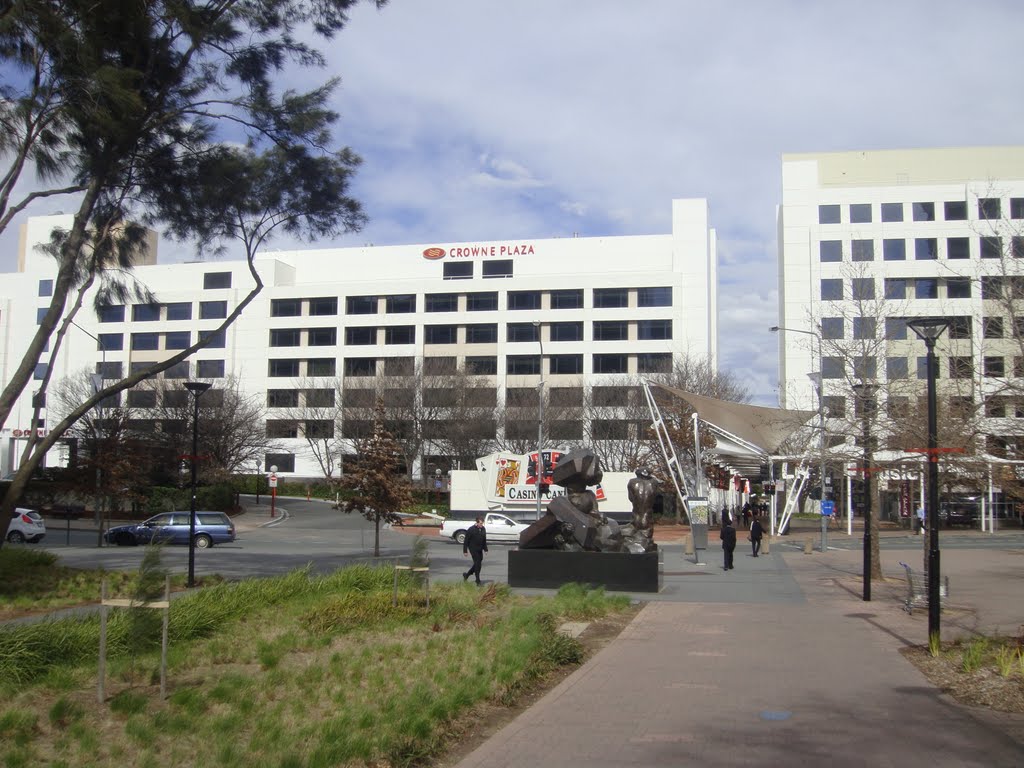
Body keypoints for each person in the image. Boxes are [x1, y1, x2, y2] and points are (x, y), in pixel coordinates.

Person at [463, 516, 488, 585]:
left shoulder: (483, 529)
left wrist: (485, 549)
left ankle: (467, 575)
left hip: (480, 549)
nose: (481, 525)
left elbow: (484, 540)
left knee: (478, 564)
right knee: (477, 564)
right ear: (476, 523)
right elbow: (466, 541)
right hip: (473, 549)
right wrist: (465, 551)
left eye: (482, 523)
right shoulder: (471, 529)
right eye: (480, 523)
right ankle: (477, 580)